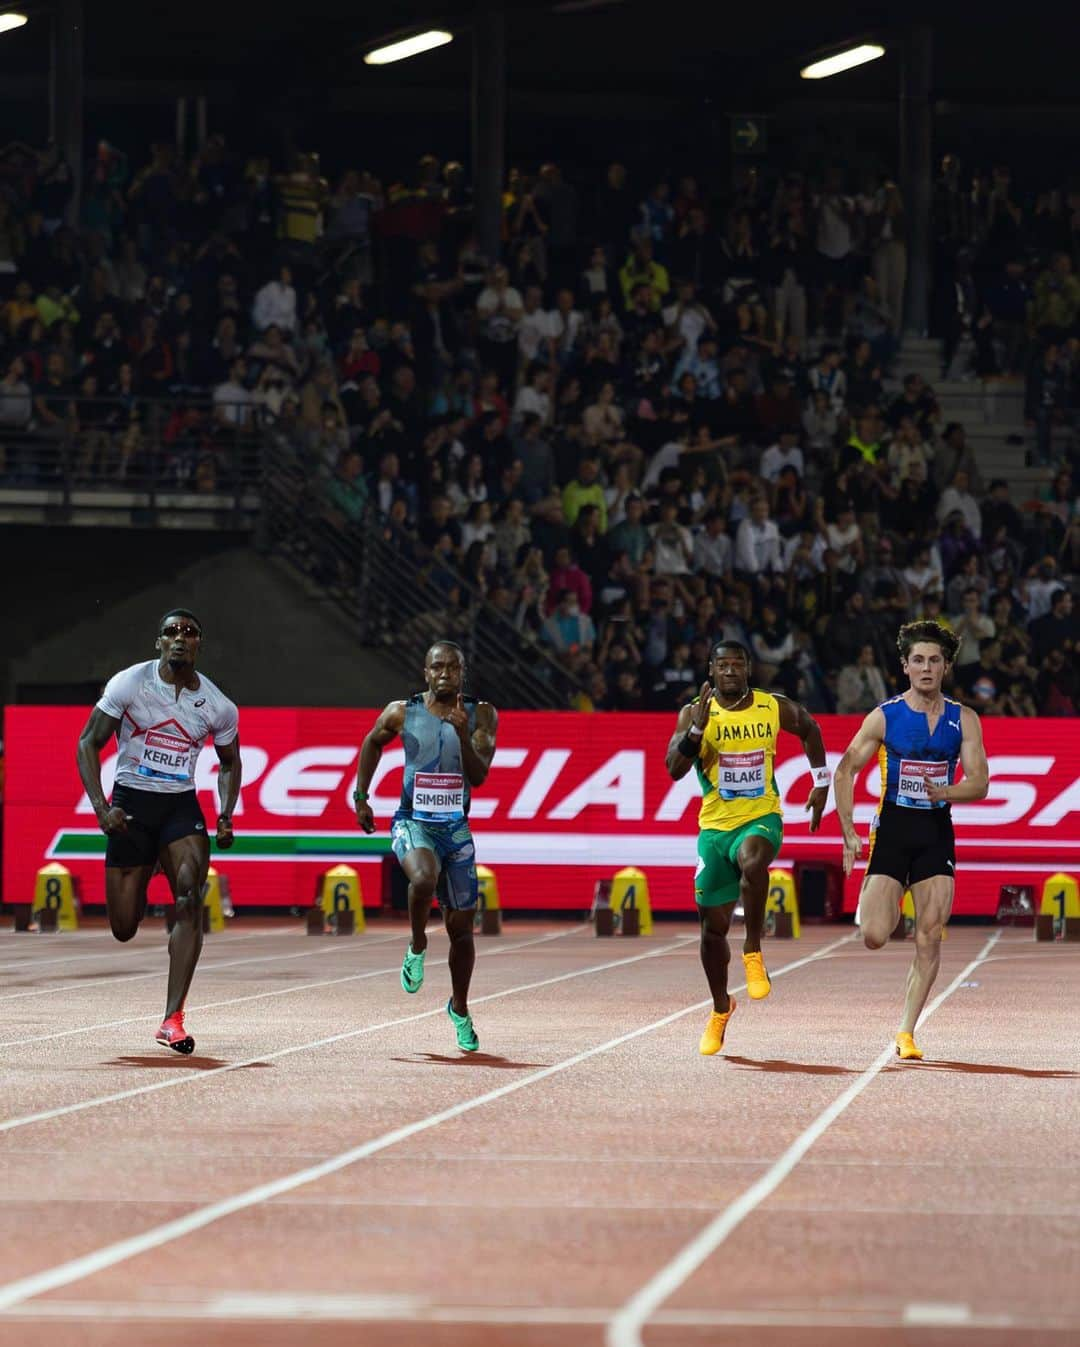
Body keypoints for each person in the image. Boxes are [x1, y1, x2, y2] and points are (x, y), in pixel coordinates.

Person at [75, 610, 241, 1055]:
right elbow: (87, 742)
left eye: (189, 633)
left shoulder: (218, 705)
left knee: (190, 896)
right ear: (158, 643)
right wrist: (101, 808)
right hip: (131, 806)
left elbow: (228, 763)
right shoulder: (130, 683)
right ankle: (144, 869)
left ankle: (172, 1018)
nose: (180, 639)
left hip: (179, 808)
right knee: (124, 927)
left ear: (199, 645)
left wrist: (226, 812)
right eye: (172, 632)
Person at [834, 620, 990, 1061]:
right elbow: (846, 769)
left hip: (936, 833)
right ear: (905, 666)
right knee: (875, 935)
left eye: (934, 660)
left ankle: (906, 1032)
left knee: (929, 937)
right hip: (893, 830)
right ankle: (886, 892)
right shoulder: (885, 716)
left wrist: (947, 792)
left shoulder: (965, 719)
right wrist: (848, 831)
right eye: (918, 660)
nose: (926, 667)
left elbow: (979, 783)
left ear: (945, 667)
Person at [664, 640, 829, 1056]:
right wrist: (697, 731)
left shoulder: (772, 707)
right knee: (710, 930)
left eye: (738, 664)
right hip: (714, 828)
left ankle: (753, 948)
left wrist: (821, 781)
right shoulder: (694, 713)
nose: (731, 672)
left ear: (749, 669)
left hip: (761, 818)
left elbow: (810, 727)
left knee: (753, 860)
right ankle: (721, 1008)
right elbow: (673, 770)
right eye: (724, 665)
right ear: (712, 670)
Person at [354, 641, 497, 1052]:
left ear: (463, 673)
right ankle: (417, 945)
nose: (446, 674)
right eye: (438, 667)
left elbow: (481, 776)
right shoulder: (403, 711)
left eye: (454, 667)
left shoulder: (481, 713)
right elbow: (372, 743)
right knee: (422, 876)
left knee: (462, 931)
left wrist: (464, 734)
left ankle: (459, 1008)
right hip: (412, 821)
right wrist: (361, 797)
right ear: (426, 672)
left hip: (456, 830)